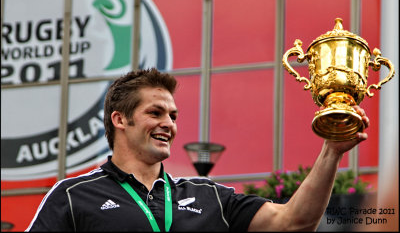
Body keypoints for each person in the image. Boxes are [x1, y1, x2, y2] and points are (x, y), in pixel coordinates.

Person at [26, 68, 370, 232]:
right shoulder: (72, 196)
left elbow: (296, 221)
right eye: (155, 113)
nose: (169, 124)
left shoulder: (209, 197)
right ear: (120, 119)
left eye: (173, 116)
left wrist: (332, 151)